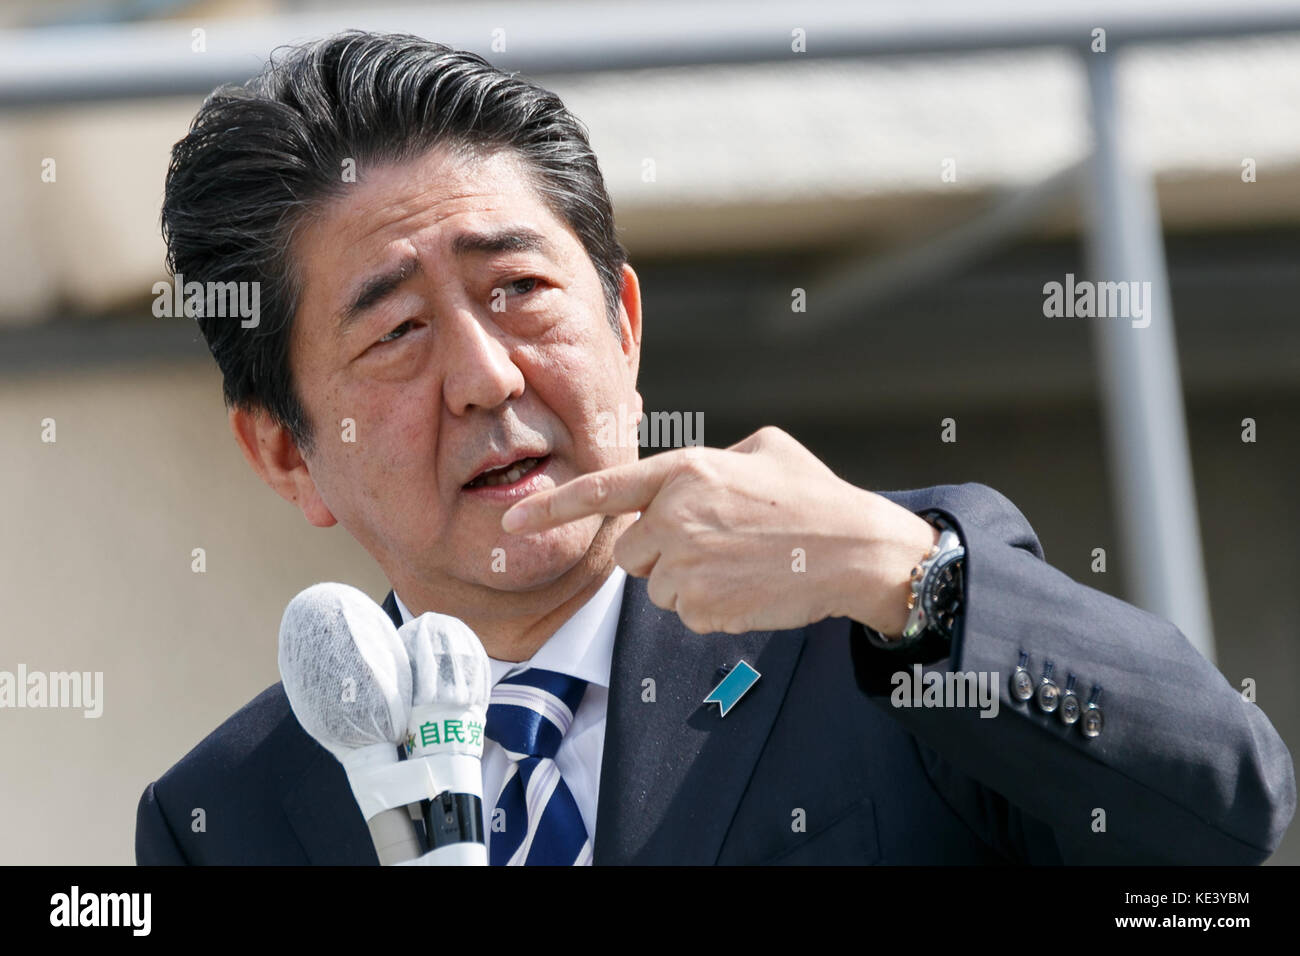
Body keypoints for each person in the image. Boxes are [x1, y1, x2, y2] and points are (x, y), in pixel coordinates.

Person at [135, 30, 1294, 865]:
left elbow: (1222, 808)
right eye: (395, 332)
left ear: (625, 326)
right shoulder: (227, 817)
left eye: (519, 289)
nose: (487, 376)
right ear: (286, 453)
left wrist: (906, 576)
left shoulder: (869, 609)